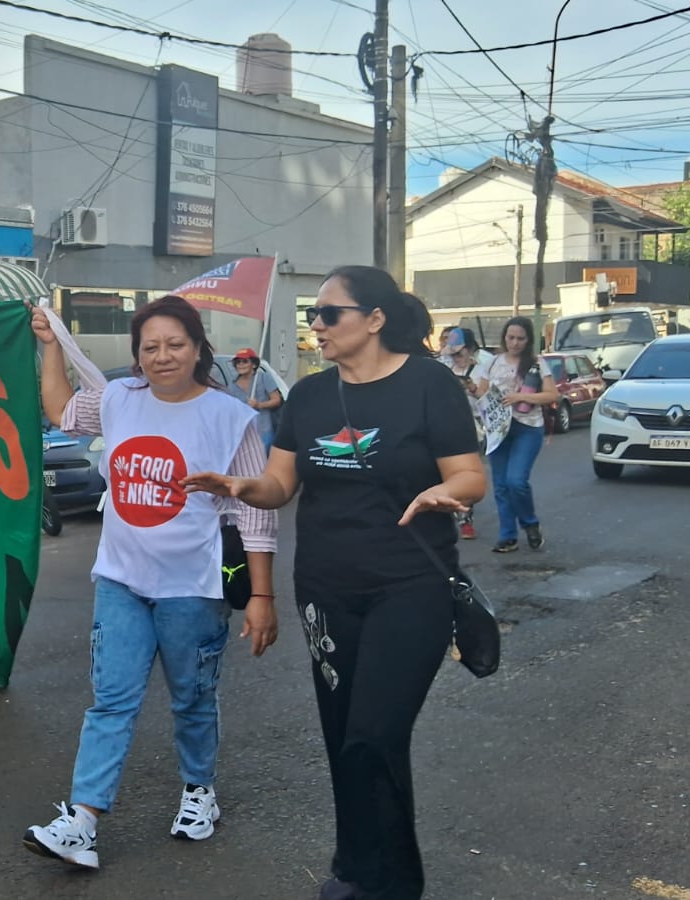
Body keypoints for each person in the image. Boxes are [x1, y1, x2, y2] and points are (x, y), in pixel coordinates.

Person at [184, 265, 485, 900]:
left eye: (328, 314)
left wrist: (443, 491)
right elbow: (279, 485)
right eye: (311, 316)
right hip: (326, 589)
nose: (315, 326)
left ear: (374, 320)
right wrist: (242, 487)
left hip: (410, 586)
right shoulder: (310, 396)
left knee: (375, 733)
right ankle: (355, 867)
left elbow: (470, 475)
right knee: (345, 734)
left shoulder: (428, 383)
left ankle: (391, 884)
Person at [21, 296, 279, 871]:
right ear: (137, 355)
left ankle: (199, 790)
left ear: (198, 348)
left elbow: (255, 515)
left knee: (192, 697)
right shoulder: (120, 398)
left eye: (175, 344)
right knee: (111, 700)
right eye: (150, 347)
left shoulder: (230, 417)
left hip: (194, 586)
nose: (163, 356)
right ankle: (83, 821)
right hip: (121, 581)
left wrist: (262, 596)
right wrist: (50, 346)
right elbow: (61, 409)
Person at [473, 316, 559, 553]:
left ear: (528, 340)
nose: (515, 343)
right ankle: (507, 536)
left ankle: (530, 524)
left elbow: (552, 395)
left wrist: (521, 397)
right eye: (511, 338)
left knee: (516, 481)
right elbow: (482, 392)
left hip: (527, 427)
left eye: (520, 338)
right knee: (501, 485)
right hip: (498, 429)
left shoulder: (537, 363)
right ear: (504, 338)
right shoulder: (492, 362)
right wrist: (472, 389)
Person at [437, 328, 486, 540]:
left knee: (465, 475)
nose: (455, 357)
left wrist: (472, 388)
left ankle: (465, 519)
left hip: (474, 427)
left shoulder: (482, 370)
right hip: (446, 424)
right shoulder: (443, 369)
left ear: (470, 349)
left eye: (459, 353)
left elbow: (489, 399)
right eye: (452, 353)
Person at [225, 348, 283, 451]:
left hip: (263, 431)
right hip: (244, 433)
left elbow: (276, 400)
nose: (240, 364)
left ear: (254, 365)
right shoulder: (232, 386)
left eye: (245, 361)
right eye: (238, 362)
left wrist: (259, 405)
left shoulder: (263, 377)